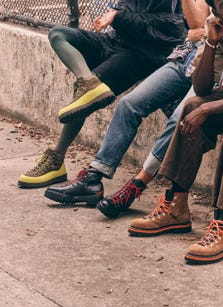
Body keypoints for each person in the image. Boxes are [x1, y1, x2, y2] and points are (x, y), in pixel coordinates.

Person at [127, 0, 223, 265]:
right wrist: (213, 43)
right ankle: (176, 207)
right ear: (216, 10)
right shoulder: (217, 26)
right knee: (193, 105)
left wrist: (211, 109)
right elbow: (202, 89)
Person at [42, 0, 210, 206]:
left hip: (183, 59)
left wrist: (118, 17)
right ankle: (93, 177)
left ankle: (136, 186)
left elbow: (182, 27)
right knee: (127, 104)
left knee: (180, 117)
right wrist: (115, 16)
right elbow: (196, 29)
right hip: (188, 57)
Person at [18, 0, 186, 188]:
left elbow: (170, 28)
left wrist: (118, 16)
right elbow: (122, 9)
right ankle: (87, 81)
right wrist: (112, 14)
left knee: (85, 98)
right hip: (113, 39)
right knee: (59, 34)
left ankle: (56, 160)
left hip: (139, 54)